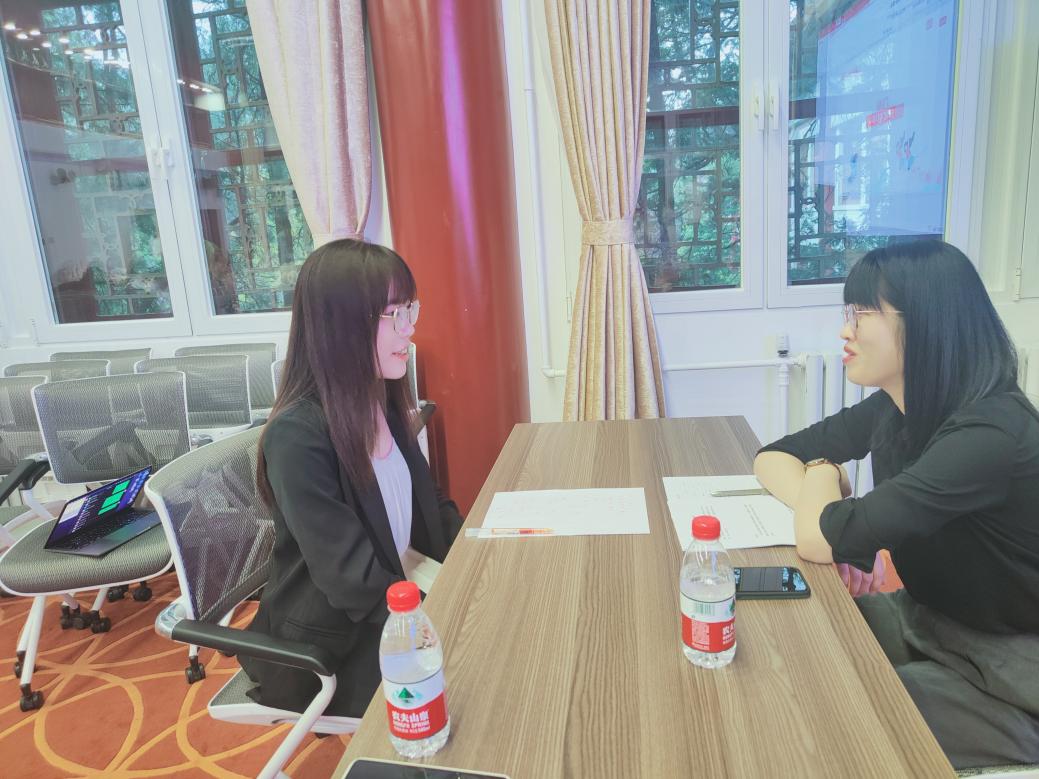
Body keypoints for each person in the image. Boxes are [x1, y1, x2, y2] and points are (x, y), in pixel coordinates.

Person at [754, 241, 1039, 769]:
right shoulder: (898, 405)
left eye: (862, 314)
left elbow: (819, 537)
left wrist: (823, 475)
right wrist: (821, 505)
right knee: (797, 644)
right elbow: (773, 457)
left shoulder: (990, 435)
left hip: (1010, 671)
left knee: (837, 711)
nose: (845, 331)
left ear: (927, 323)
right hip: (931, 620)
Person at [241, 238, 463, 718]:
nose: (409, 329)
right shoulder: (297, 437)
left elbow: (430, 504)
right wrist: (435, 626)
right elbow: (350, 580)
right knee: (475, 673)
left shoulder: (381, 399)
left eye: (410, 310)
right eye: (394, 315)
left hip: (389, 596)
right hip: (329, 643)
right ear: (340, 325)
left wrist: (474, 561)